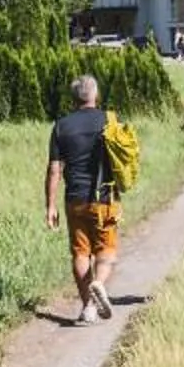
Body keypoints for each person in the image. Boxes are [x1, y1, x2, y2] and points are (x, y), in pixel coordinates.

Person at [44, 73, 119, 323]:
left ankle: (88, 307)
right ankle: (99, 283)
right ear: (95, 95)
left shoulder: (62, 126)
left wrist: (50, 206)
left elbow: (54, 169)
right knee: (106, 251)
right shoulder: (109, 121)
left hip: (74, 198)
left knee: (80, 253)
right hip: (105, 196)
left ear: (73, 98)